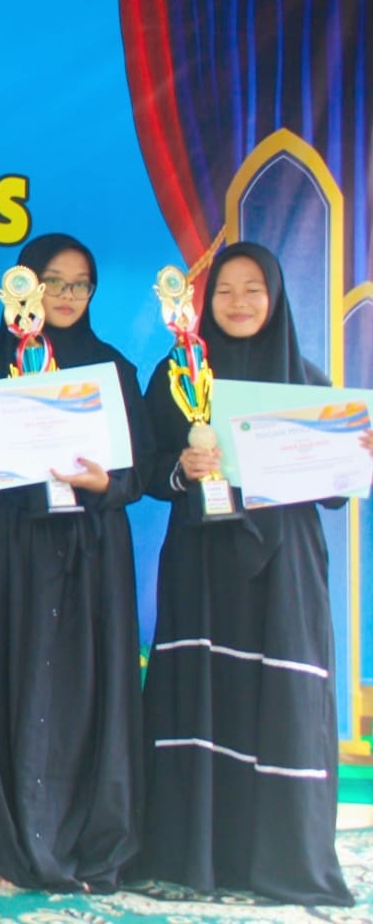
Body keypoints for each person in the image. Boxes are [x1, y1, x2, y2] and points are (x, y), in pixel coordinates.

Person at [137, 242, 366, 906]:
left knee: (277, 701)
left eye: (253, 289)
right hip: (202, 560)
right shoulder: (176, 375)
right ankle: (194, 856)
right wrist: (184, 466)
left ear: (276, 300)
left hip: (283, 568)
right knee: (204, 694)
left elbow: (330, 494)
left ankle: (281, 858)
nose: (237, 303)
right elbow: (150, 470)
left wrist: (353, 452)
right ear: (204, 303)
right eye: (225, 291)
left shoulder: (307, 381)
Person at [0, 232, 151, 892]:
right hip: (14, 545)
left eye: (80, 284)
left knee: (91, 688)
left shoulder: (115, 371)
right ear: (24, 290)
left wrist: (106, 483)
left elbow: (142, 470)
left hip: (92, 548)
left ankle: (92, 844)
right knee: (9, 681)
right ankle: (5, 840)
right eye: (53, 282)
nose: (67, 296)